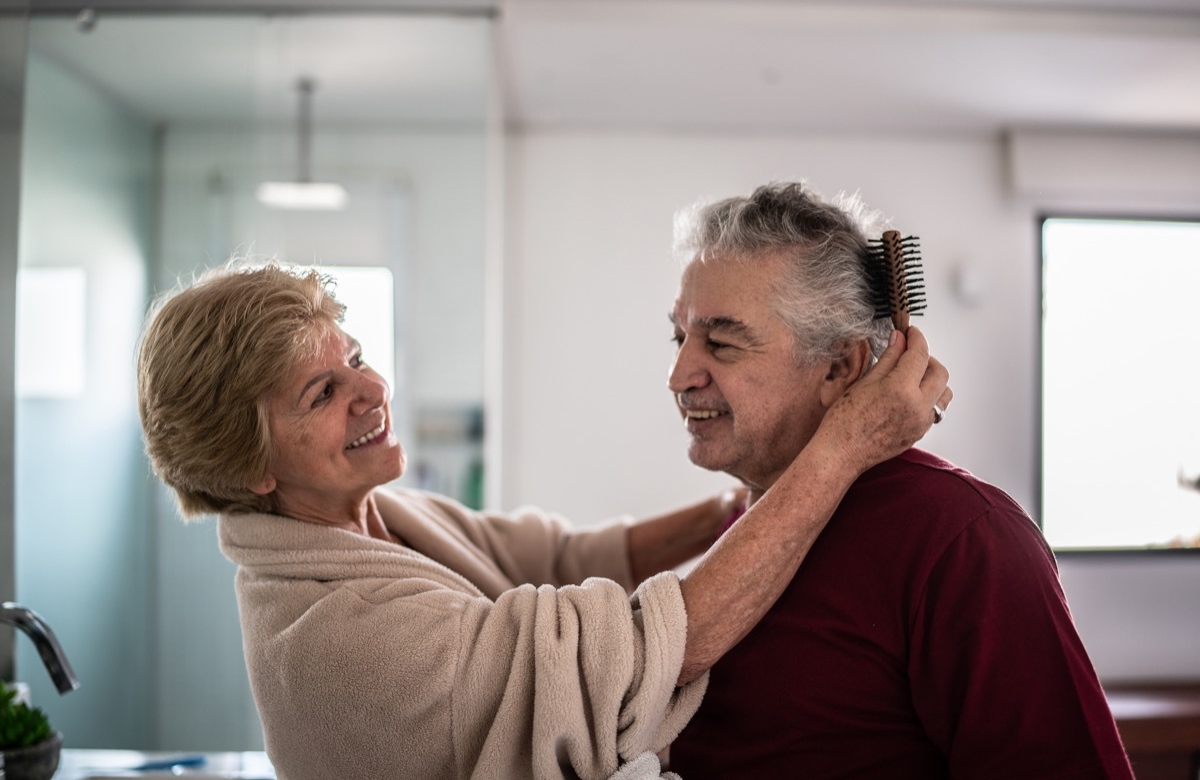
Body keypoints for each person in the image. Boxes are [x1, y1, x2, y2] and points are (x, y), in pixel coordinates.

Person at [135, 260, 949, 780]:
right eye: (322, 394)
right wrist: (837, 453)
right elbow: (633, 658)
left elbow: (564, 556)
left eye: (352, 358)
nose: (371, 391)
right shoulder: (332, 642)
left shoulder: (377, 520)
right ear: (251, 467)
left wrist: (747, 499)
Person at [664, 181, 1134, 779]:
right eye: (679, 337)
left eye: (722, 342)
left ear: (840, 366)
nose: (678, 376)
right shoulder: (748, 524)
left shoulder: (963, 538)